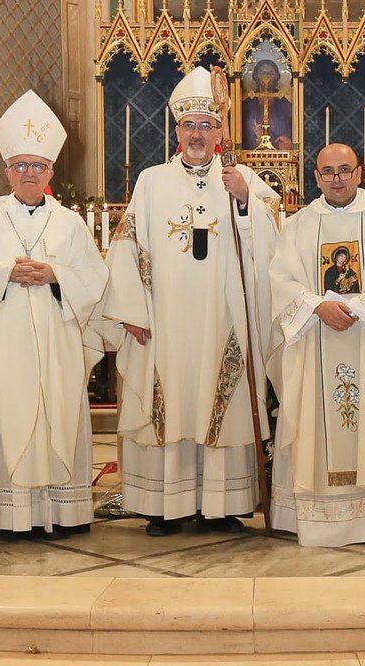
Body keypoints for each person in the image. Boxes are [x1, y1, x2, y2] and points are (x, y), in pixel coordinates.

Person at [102, 66, 281, 536]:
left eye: (206, 125)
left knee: (220, 400)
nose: (197, 134)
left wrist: (245, 202)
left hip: (224, 318)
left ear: (220, 132)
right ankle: (166, 507)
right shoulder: (152, 181)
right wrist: (132, 312)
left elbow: (273, 246)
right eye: (188, 125)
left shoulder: (242, 178)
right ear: (177, 130)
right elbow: (127, 246)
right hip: (165, 321)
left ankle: (222, 506)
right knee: (172, 399)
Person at [0, 91, 107, 539]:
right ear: (6, 171)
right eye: (20, 165)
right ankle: (2, 514)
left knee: (56, 413)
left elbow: (94, 277)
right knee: (3, 418)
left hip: (57, 342)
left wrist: (56, 275)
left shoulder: (70, 223)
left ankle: (60, 511)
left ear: (50, 173)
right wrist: (5, 272)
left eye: (37, 166)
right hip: (2, 343)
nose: (28, 173)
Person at [270, 143, 365, 546]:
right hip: (314, 337)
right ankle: (316, 519)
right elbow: (281, 279)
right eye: (327, 172)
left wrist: (358, 309)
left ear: (359, 173)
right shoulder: (298, 225)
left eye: (344, 170)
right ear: (316, 177)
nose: (336, 179)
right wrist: (318, 306)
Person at [241, 60, 294, 150]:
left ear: (277, 77)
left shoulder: (285, 105)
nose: (266, 77)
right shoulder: (247, 105)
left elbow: (292, 133)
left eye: (270, 73)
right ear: (255, 76)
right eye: (262, 73)